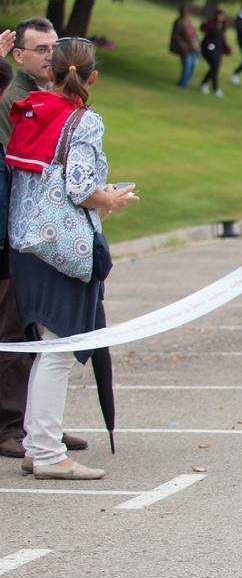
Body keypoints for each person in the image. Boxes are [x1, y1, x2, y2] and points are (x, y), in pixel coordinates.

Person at [6, 38, 138, 479]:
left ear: (51, 72)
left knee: (46, 346)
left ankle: (35, 443)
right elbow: (81, 188)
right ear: (92, 78)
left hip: (26, 242)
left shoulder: (30, 108)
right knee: (58, 351)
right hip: (62, 250)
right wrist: (112, 199)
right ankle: (46, 453)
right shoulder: (84, 120)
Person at [0, 18, 90, 463]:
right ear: (18, 56)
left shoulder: (43, 99)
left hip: (32, 229)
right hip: (20, 229)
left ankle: (39, 427)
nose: (47, 55)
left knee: (38, 328)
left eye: (52, 48)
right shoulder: (15, 99)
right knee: (14, 328)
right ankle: (11, 426)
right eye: (38, 49)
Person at [199, 8, 230, 97]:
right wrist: (203, 22)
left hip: (218, 51)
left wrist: (227, 49)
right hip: (209, 49)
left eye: (222, 16)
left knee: (215, 68)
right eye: (219, 15)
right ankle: (215, 88)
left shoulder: (223, 27)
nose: (221, 17)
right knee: (214, 67)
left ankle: (204, 84)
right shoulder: (211, 24)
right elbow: (203, 29)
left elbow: (222, 40)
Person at [169, 4, 199, 89]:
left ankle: (184, 82)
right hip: (185, 48)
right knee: (187, 65)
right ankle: (183, 83)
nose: (185, 13)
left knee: (193, 65)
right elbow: (176, 36)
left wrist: (196, 43)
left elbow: (193, 33)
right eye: (184, 11)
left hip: (192, 47)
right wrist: (182, 45)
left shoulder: (188, 21)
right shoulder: (178, 22)